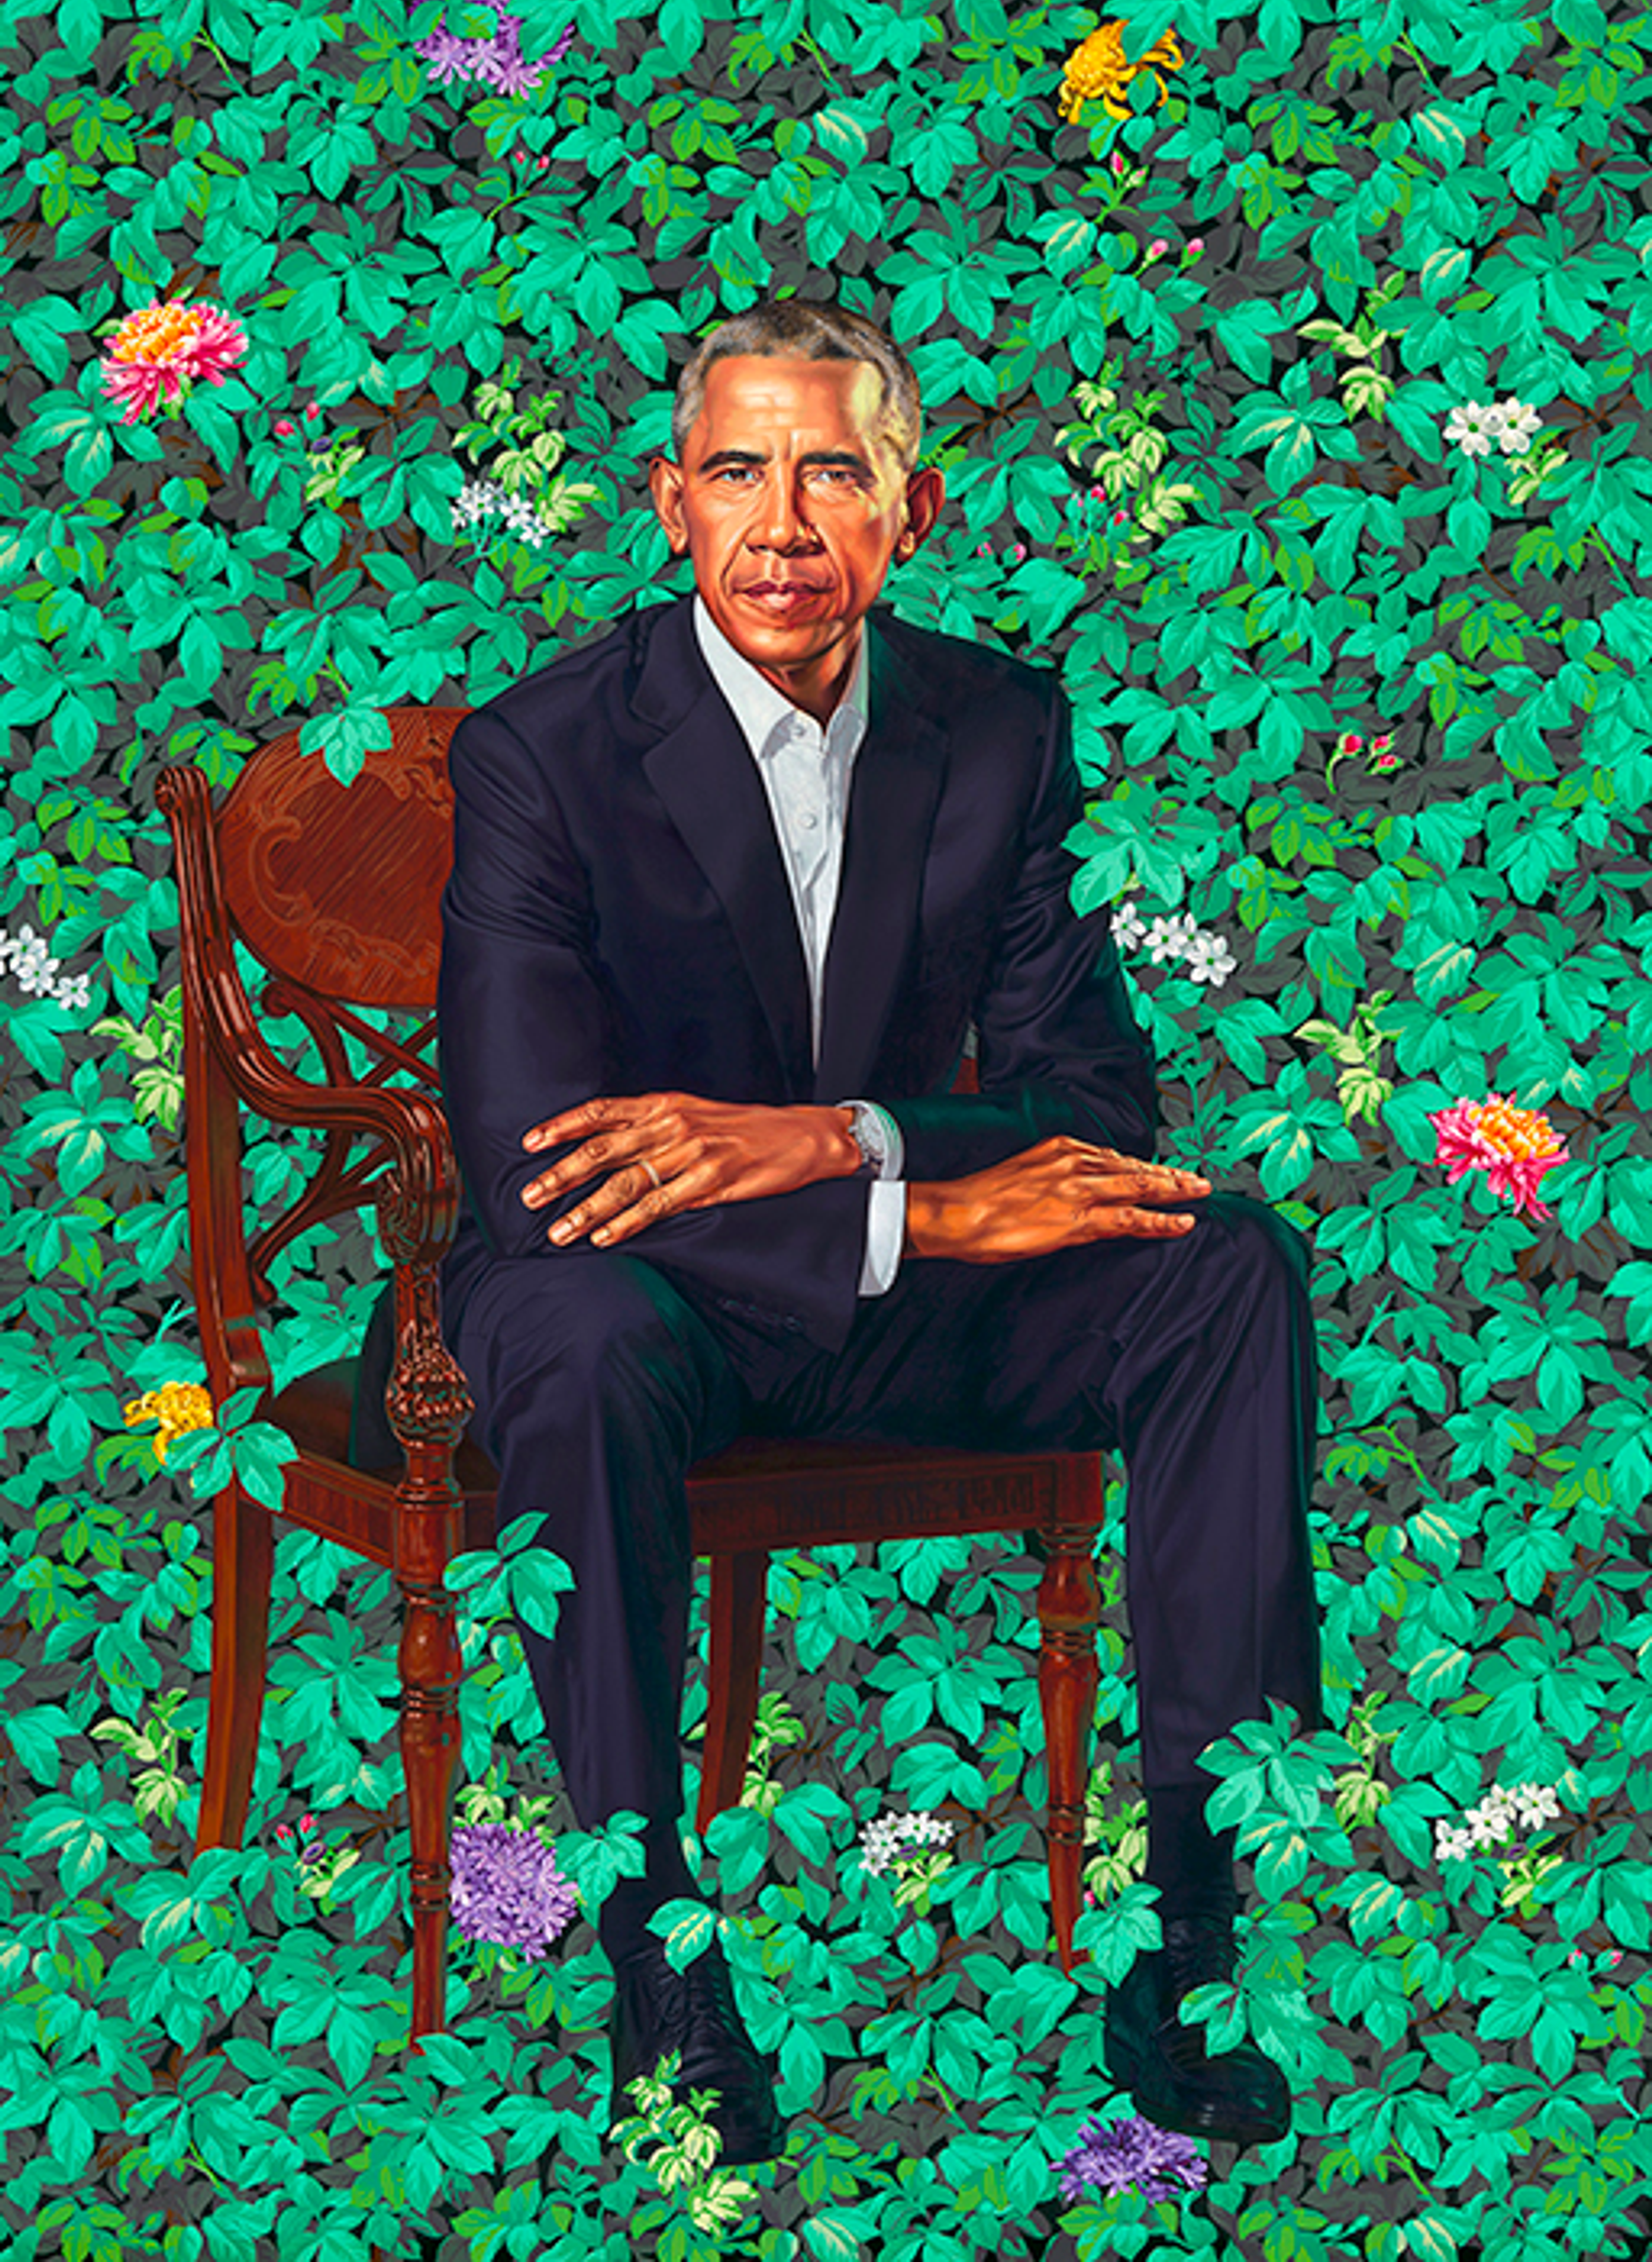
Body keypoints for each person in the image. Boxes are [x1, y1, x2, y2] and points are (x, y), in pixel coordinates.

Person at [430, 298, 1325, 2162]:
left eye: (834, 469)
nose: (784, 522)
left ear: (910, 512)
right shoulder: (543, 751)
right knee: (578, 1332)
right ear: (668, 502)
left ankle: (1195, 1933)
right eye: (740, 470)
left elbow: (1090, 1111)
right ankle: (661, 1956)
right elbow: (545, 1165)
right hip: (637, 1303)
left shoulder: (1000, 725)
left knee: (1223, 1254)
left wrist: (842, 1144)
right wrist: (913, 1201)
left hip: (912, 1281)